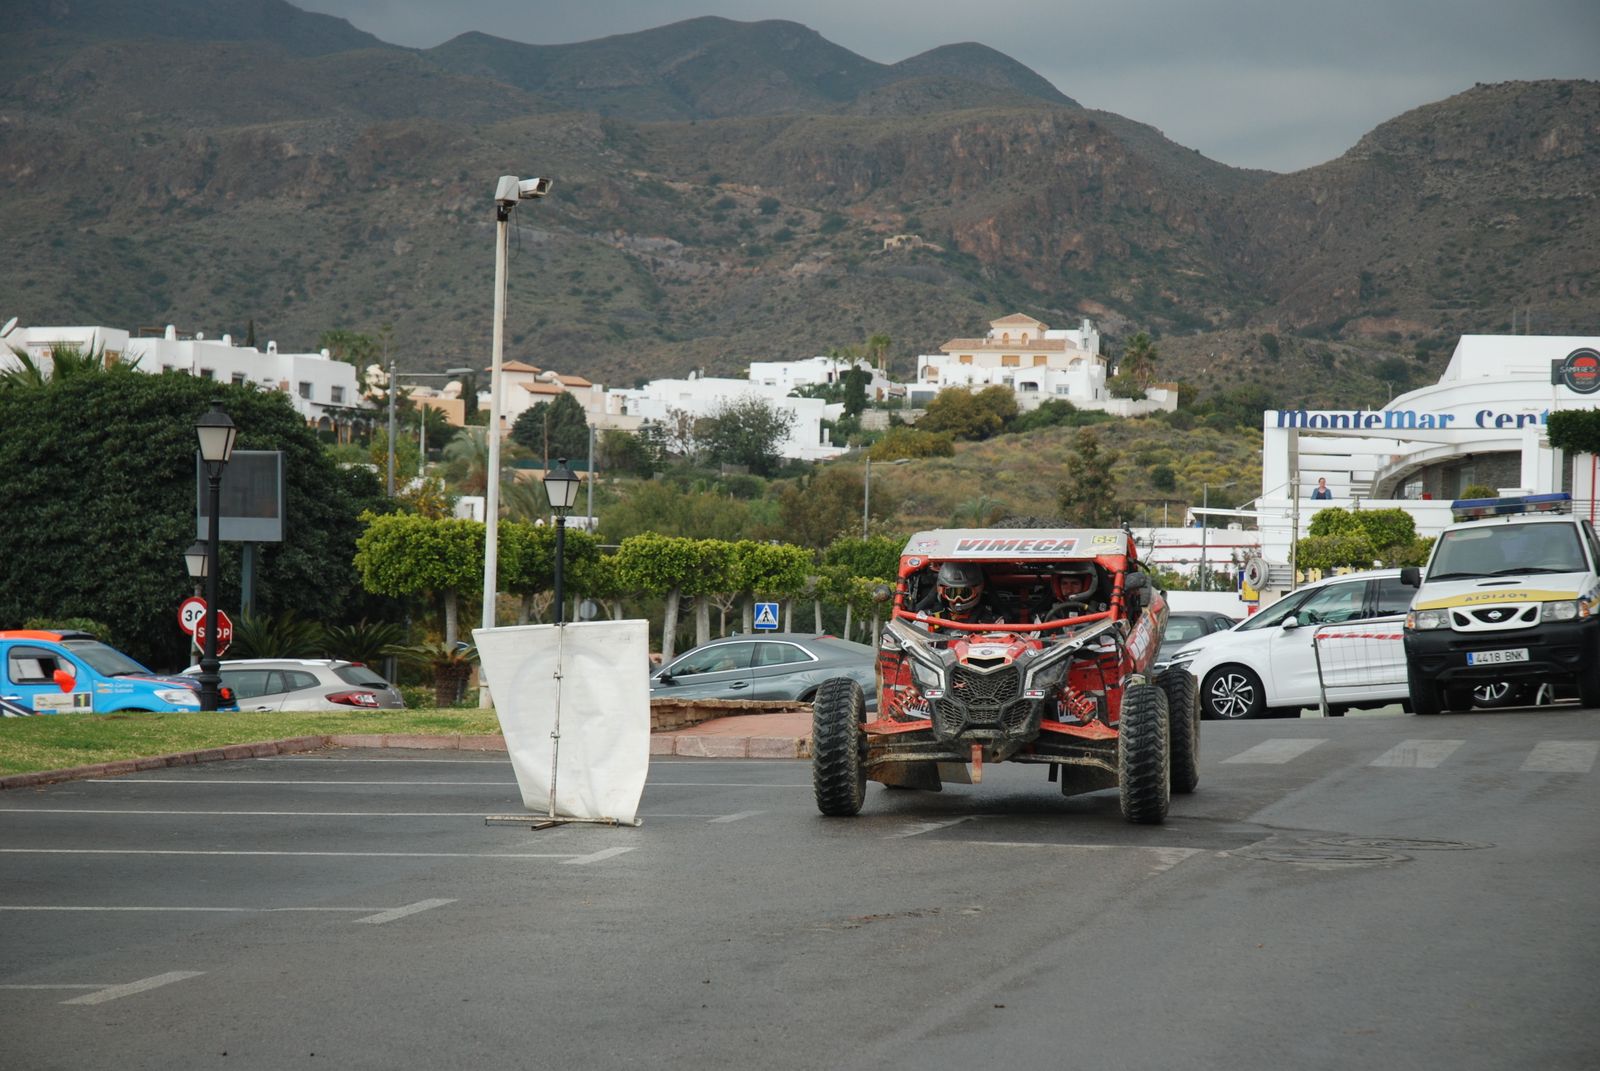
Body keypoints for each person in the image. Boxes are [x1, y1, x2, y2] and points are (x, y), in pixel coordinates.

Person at [921, 561, 1004, 627]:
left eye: (964, 593)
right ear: (942, 592)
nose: (958, 599)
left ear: (977, 591)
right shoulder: (929, 618)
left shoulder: (993, 622)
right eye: (952, 593)